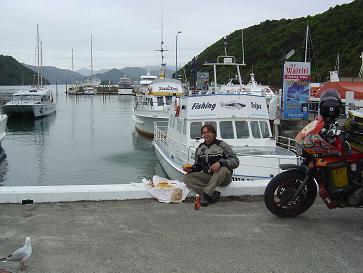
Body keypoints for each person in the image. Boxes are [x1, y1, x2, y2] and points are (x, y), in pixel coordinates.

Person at [183, 124, 239, 206]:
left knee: (223, 169)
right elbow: (198, 165)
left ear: (213, 133)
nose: (206, 135)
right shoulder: (200, 148)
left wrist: (221, 163)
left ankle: (206, 194)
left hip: (223, 178)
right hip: (209, 177)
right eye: (204, 133)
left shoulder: (222, 145)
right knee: (187, 177)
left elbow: (235, 161)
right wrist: (191, 169)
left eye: (208, 132)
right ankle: (210, 194)